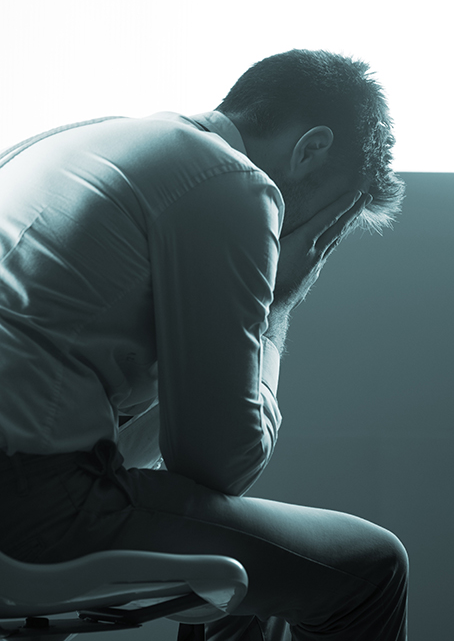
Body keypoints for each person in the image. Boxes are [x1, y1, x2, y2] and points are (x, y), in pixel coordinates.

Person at [0, 49, 408, 640]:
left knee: (249, 573)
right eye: (332, 217)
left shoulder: (70, 142)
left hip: (25, 479)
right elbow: (223, 464)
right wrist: (280, 303)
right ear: (311, 149)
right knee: (374, 567)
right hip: (29, 505)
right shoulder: (231, 182)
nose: (318, 240)